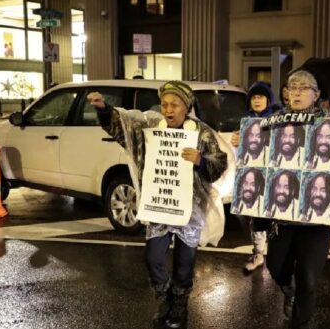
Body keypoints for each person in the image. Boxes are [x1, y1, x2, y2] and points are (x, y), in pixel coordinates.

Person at [89, 80, 228, 328]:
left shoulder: (202, 132)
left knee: (185, 264)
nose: (169, 109)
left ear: (186, 107)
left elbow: (218, 164)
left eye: (175, 104)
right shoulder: (152, 127)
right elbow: (124, 130)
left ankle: (179, 305)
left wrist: (201, 160)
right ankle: (164, 297)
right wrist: (103, 109)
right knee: (153, 258)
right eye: (165, 104)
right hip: (159, 205)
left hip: (190, 210)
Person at [266, 70, 330, 328]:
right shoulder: (273, 122)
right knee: (276, 267)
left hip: (315, 220)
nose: (298, 92)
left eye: (304, 88)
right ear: (287, 93)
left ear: (316, 95)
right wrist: (245, 140)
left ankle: (300, 322)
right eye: (293, 88)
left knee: (309, 278)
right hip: (282, 217)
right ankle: (289, 291)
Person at [230, 81, 278, 273]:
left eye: (261, 97)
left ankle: (275, 254)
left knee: (274, 214)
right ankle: (258, 253)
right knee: (255, 214)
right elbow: (238, 150)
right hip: (252, 173)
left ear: (268, 99)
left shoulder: (278, 118)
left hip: (274, 173)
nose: (257, 100)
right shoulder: (245, 120)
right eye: (254, 97)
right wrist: (236, 141)